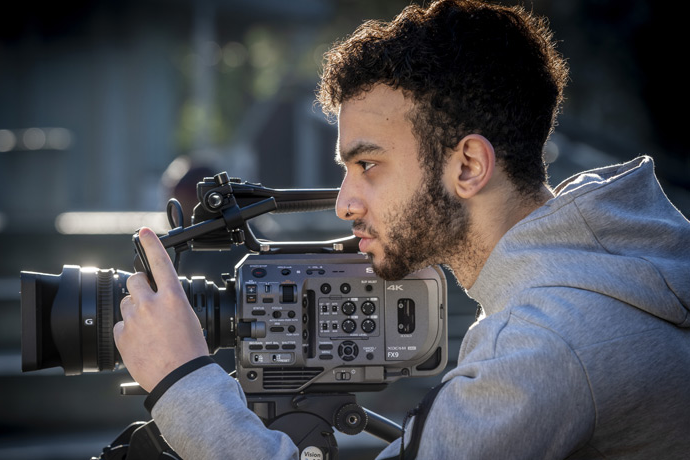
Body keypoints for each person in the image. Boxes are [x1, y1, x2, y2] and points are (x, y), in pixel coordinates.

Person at [113, 0, 690, 458]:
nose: (344, 203)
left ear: (467, 166)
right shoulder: (598, 271)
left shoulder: (545, 343)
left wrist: (183, 380)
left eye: (368, 165)